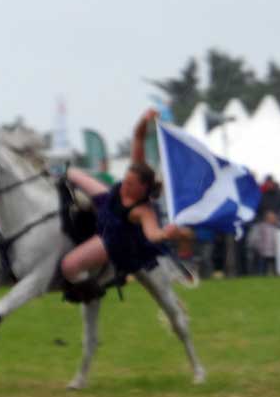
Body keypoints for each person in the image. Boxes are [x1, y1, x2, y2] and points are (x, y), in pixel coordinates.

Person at [60, 109, 188, 292]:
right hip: (107, 200)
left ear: (142, 188)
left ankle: (93, 289)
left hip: (113, 234)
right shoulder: (135, 171)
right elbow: (138, 137)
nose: (125, 186)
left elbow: (153, 234)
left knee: (69, 266)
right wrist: (145, 120)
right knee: (70, 172)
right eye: (125, 181)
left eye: (130, 184)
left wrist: (166, 234)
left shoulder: (143, 211)